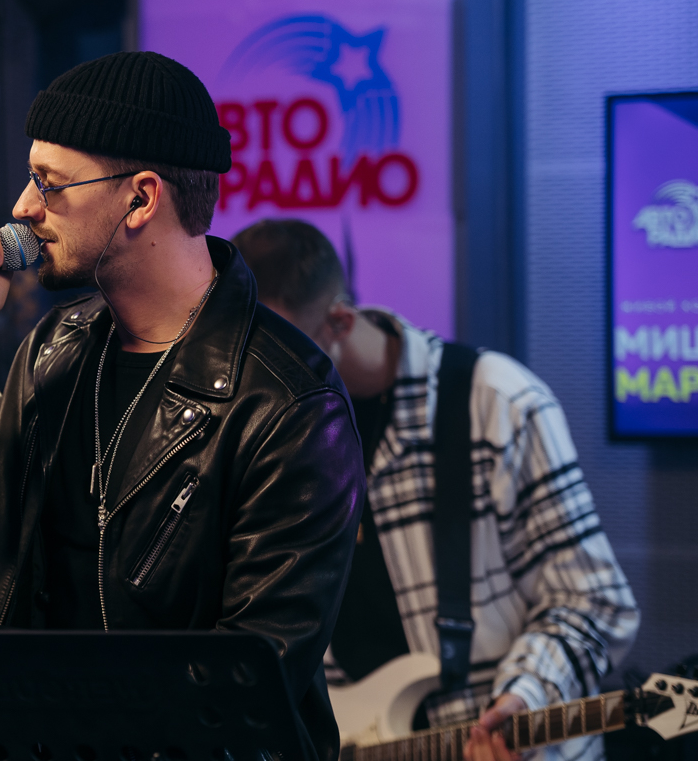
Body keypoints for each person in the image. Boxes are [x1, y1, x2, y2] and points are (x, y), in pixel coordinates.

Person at [0, 51, 367, 761]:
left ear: (141, 199)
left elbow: (237, 691)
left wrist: (6, 676)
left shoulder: (287, 404)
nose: (22, 207)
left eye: (48, 183)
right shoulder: (55, 347)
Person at [231, 219, 639, 761]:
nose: (259, 375)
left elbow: (594, 602)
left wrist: (527, 695)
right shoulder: (266, 436)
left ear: (340, 321)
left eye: (280, 353)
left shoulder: (497, 403)